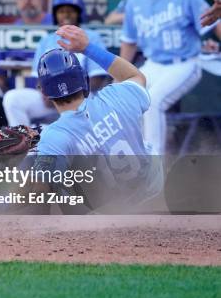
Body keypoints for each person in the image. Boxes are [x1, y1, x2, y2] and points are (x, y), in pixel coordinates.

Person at [31, 25, 163, 211]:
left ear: (44, 92)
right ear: (85, 80)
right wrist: (87, 48)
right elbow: (135, 75)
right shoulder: (117, 96)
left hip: (109, 213)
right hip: (153, 191)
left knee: (54, 179)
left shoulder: (55, 136)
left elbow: (39, 191)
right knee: (150, 148)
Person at [120, 0, 221, 155]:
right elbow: (129, 41)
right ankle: (132, 158)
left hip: (184, 64)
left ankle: (154, 164)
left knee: (153, 101)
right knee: (123, 100)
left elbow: (214, 24)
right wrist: (120, 76)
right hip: (153, 65)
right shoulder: (134, 1)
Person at [2, 0, 107, 127]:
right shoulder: (46, 41)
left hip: (82, 99)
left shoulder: (91, 37)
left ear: (79, 13)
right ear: (55, 15)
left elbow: (98, 79)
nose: (66, 15)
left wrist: (72, 96)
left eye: (70, 10)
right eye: (61, 11)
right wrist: (47, 93)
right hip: (52, 101)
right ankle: (25, 143)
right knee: (12, 99)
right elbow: (37, 78)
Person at [0, 0, 53, 91]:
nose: (27, 1)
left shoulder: (55, 25)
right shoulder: (10, 33)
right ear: (16, 0)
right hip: (18, 97)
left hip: (56, 98)